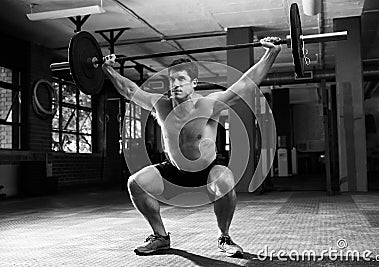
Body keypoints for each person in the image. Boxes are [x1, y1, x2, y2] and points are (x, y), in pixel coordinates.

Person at [102, 37, 281, 257]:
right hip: (175, 170)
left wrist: (271, 53)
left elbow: (245, 84)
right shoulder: (161, 105)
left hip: (208, 170)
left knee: (225, 180)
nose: (175, 84)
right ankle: (160, 237)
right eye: (172, 79)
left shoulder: (208, 104)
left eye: (181, 79)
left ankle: (224, 237)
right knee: (136, 183)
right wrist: (107, 69)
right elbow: (130, 91)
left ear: (193, 83)